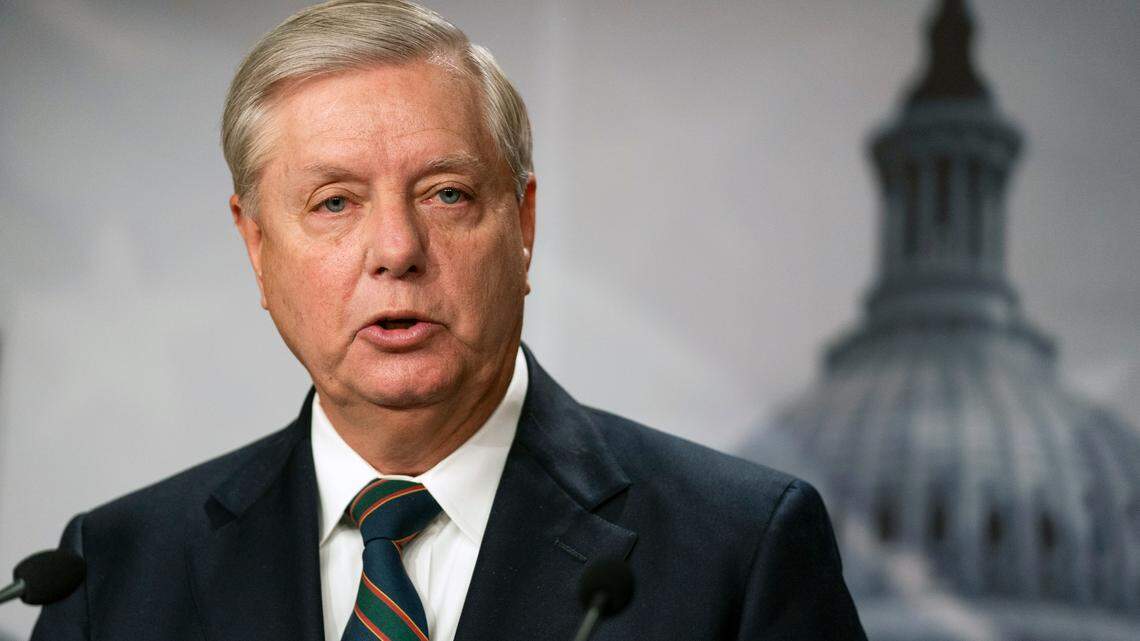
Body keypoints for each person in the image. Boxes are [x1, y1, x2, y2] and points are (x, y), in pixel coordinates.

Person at [32, 1, 866, 639]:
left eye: (447, 193)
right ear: (256, 245)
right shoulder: (111, 575)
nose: (397, 249)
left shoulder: (739, 551)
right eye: (335, 202)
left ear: (523, 223)